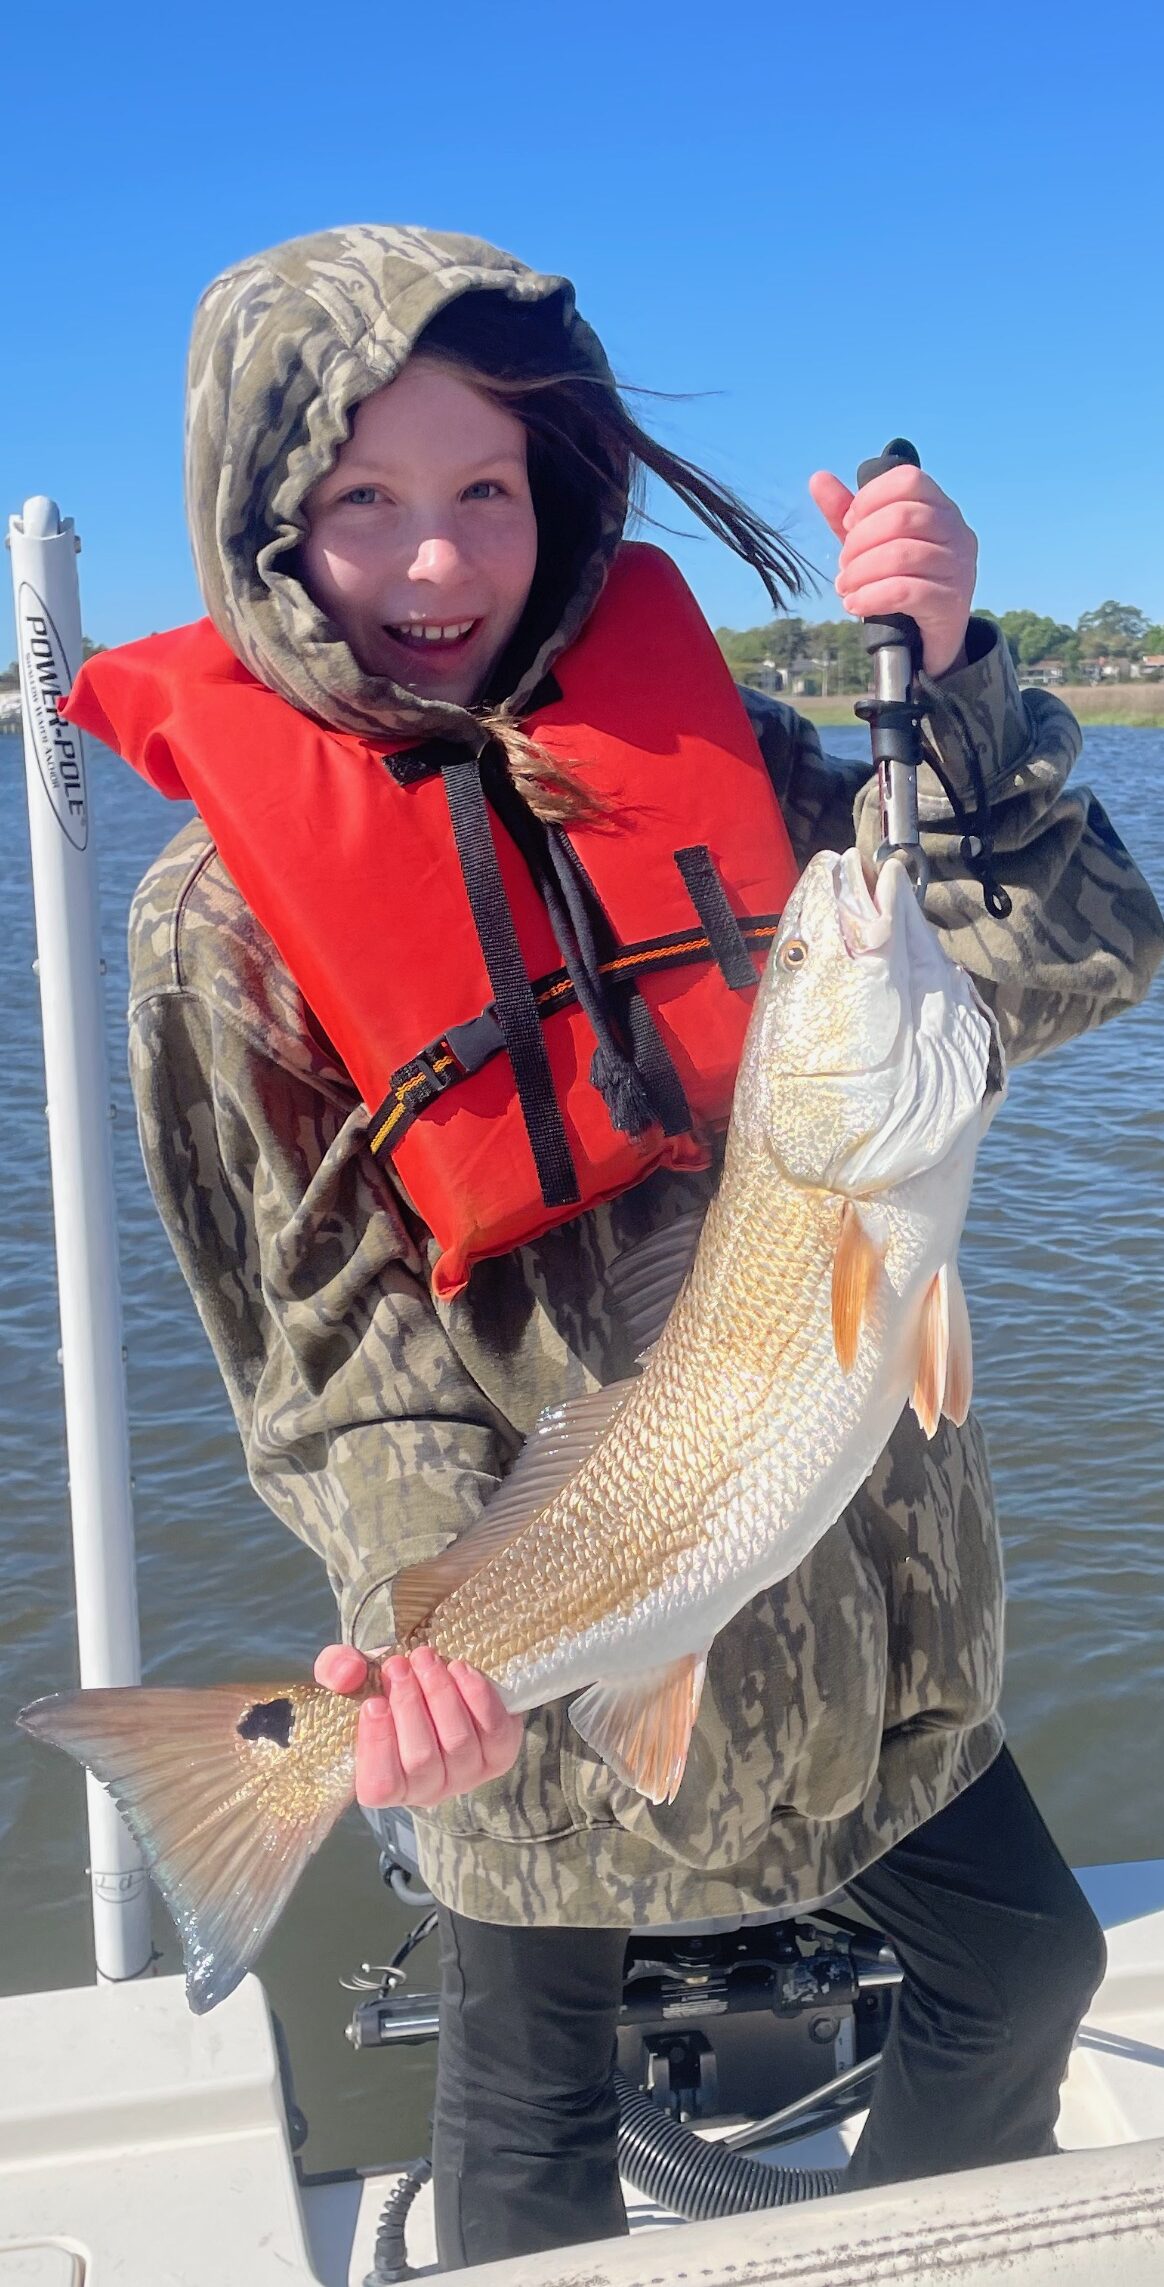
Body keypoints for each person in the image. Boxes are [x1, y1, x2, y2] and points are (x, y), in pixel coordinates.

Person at [70, 225, 1163, 2267]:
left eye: (485, 490)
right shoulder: (215, 926)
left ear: (560, 495)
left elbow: (1073, 950)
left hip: (882, 1650)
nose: (434, 565)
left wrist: (972, 668)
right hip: (539, 1660)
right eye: (362, 502)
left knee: (1021, 1973)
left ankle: (882, 2249)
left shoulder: (734, 773)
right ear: (259, 522)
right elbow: (322, 1360)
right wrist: (424, 1636)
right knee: (521, 2121)